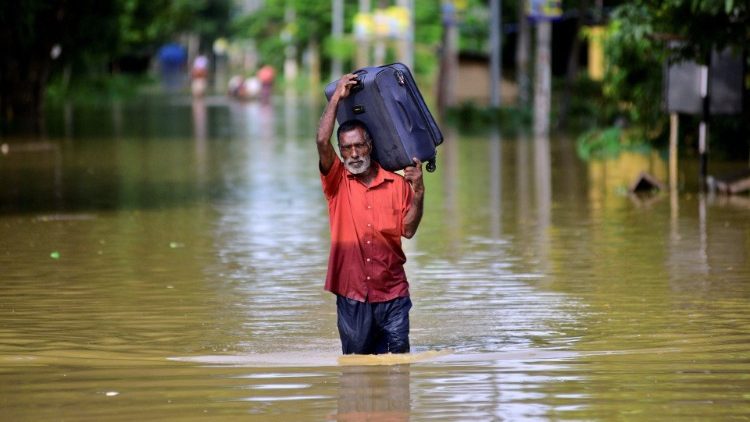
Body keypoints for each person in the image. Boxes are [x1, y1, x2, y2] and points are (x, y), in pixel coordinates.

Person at [316, 73, 425, 355]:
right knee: (356, 372)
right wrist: (337, 98)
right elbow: (321, 141)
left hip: (393, 295)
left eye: (359, 146)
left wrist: (419, 193)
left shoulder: (397, 184)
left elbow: (409, 230)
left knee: (398, 367)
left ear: (370, 146)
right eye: (347, 148)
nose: (353, 154)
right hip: (353, 296)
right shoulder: (336, 181)